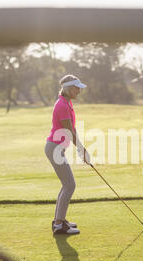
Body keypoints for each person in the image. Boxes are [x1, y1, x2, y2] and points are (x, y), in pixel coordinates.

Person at [45, 74, 91, 235]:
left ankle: (60, 220)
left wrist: (81, 149)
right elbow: (69, 131)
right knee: (70, 185)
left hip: (57, 148)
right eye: (77, 88)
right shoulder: (62, 105)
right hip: (54, 148)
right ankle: (58, 224)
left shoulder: (66, 102)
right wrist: (81, 150)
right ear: (69, 88)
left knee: (67, 185)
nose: (79, 91)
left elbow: (72, 129)